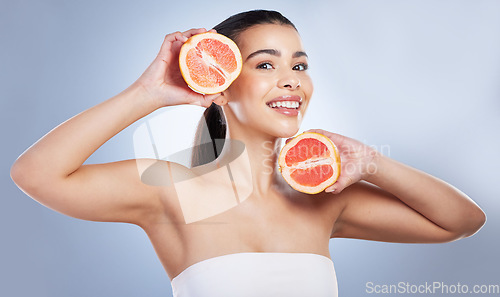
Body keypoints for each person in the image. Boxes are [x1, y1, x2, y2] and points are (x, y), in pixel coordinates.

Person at [10, 9, 485, 297]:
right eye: (266, 64)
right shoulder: (169, 192)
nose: (291, 79)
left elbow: (462, 222)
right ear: (218, 83)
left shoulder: (327, 199)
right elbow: (36, 174)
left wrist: (373, 162)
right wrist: (148, 92)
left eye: (300, 64)